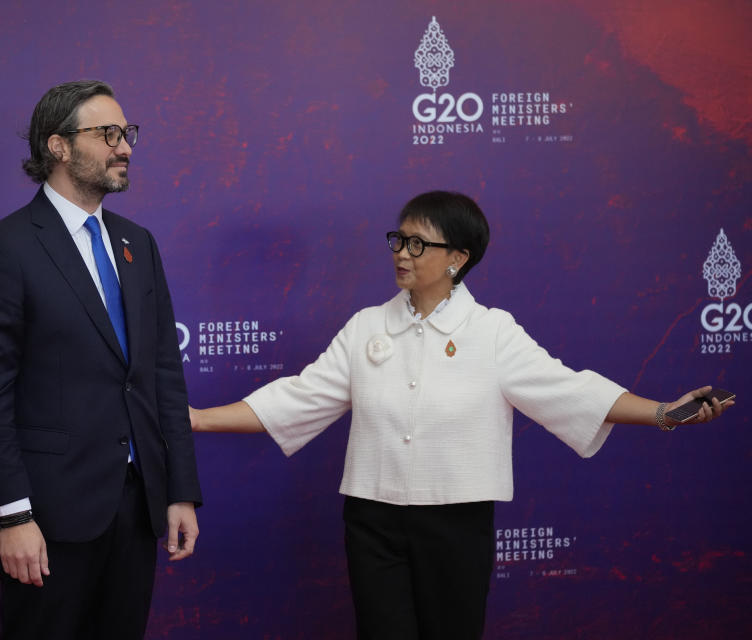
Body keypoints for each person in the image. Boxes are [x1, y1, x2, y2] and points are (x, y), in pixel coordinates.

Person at [189, 191, 733, 640]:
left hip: (455, 523)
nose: (402, 252)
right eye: (399, 239)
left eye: (419, 243)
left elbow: (569, 392)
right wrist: (196, 418)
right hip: (372, 520)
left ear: (458, 258)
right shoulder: (366, 327)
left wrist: (664, 413)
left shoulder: (492, 332)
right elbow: (298, 398)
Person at [0, 80, 202, 640]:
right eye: (108, 134)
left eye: (128, 133)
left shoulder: (137, 243)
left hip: (136, 506)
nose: (126, 147)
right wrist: (13, 515)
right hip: (47, 515)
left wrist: (179, 490)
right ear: (59, 147)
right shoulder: (6, 247)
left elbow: (164, 372)